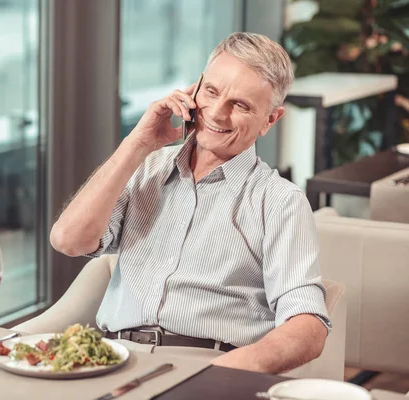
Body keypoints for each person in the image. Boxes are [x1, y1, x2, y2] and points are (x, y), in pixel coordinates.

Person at [50, 32, 331, 374]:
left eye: (240, 105)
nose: (217, 113)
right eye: (211, 92)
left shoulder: (279, 202)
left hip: (208, 366)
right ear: (194, 90)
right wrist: (137, 143)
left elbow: (308, 327)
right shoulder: (146, 168)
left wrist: (216, 376)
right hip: (113, 361)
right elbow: (68, 240)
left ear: (269, 120)